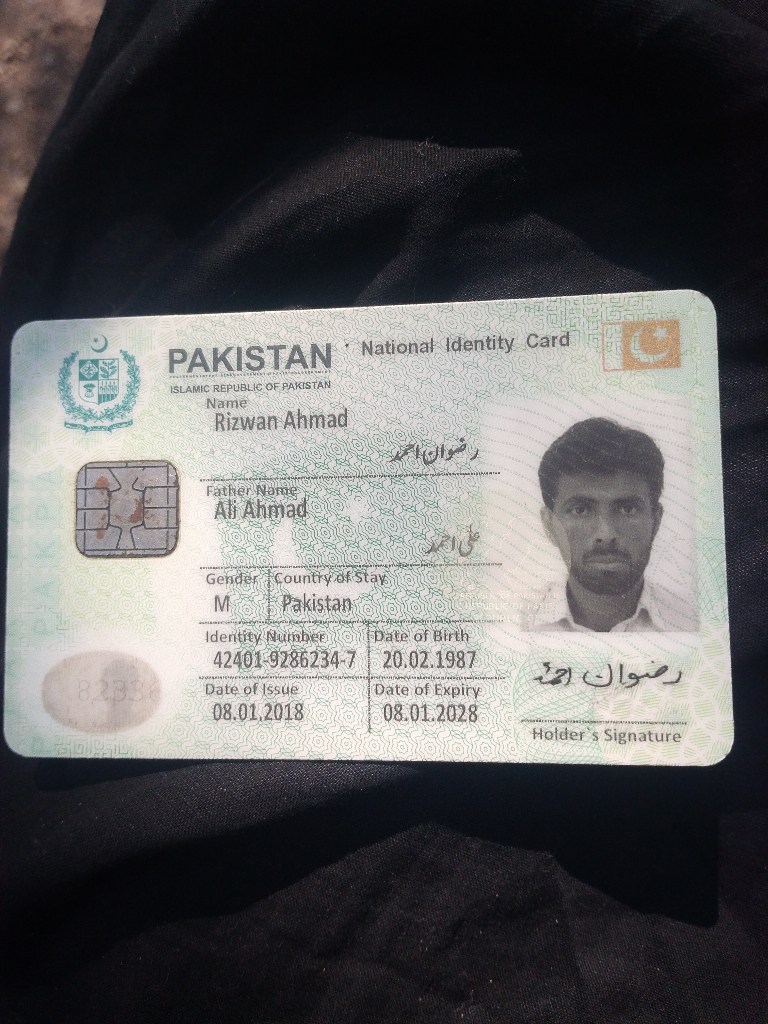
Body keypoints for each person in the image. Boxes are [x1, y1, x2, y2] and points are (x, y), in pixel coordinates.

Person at [531, 417, 695, 632]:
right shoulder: (514, 625)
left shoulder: (695, 624)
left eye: (627, 509)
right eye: (580, 510)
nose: (606, 534)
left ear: (655, 522)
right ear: (549, 525)